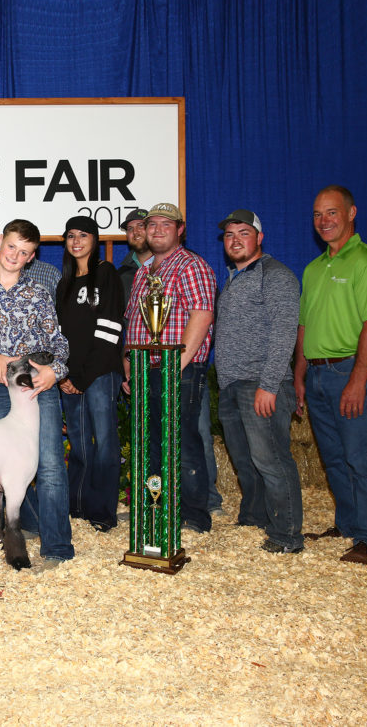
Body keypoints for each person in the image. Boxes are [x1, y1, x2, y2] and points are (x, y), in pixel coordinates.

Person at [0, 219, 73, 565]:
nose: (16, 255)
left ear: (32, 257)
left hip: (39, 390)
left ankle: (56, 546)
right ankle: (17, 526)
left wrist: (55, 371)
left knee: (51, 464)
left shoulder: (39, 293)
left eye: (24, 252)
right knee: (3, 467)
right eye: (12, 246)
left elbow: (58, 344)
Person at [294, 186, 367, 564]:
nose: (324, 221)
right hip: (318, 374)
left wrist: (357, 379)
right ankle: (350, 524)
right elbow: (305, 327)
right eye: (318, 214)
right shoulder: (315, 268)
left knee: (362, 457)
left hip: (350, 371)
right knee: (334, 458)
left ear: (352, 213)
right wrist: (299, 376)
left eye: (332, 213)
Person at [214, 210, 304, 554]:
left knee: (272, 460)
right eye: (229, 235)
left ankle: (287, 536)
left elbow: (284, 332)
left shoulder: (276, 275)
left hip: (261, 384)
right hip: (233, 384)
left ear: (259, 238)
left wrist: (269, 384)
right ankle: (254, 518)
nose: (235, 240)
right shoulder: (235, 277)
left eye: (243, 233)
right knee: (245, 459)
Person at [124, 202, 217, 534]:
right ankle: (157, 508)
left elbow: (202, 314)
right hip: (144, 369)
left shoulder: (191, 265)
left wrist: (176, 365)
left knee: (183, 441)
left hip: (180, 369)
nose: (158, 229)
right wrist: (129, 366)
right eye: (152, 224)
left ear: (180, 230)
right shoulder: (144, 272)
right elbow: (134, 322)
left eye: (167, 224)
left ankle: (194, 515)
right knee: (150, 443)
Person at [56, 216, 125, 532]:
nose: (77, 241)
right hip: (69, 378)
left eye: (83, 235)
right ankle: (77, 505)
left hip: (99, 374)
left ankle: (102, 513)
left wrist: (82, 377)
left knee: (105, 444)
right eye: (71, 235)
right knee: (81, 445)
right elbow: (59, 335)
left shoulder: (106, 273)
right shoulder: (64, 283)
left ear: (95, 239)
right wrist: (64, 376)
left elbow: (110, 329)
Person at [116, 208, 150, 304]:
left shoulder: (170, 267)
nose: (135, 232)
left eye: (141, 225)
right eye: (130, 229)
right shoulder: (121, 275)